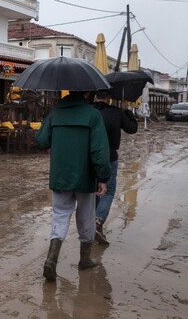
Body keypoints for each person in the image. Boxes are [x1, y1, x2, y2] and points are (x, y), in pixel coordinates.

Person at [35, 91, 111, 281]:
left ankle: (51, 259)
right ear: (87, 93)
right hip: (85, 178)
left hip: (60, 175)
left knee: (60, 214)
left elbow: (41, 140)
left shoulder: (55, 113)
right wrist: (103, 177)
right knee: (86, 216)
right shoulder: (93, 115)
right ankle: (84, 260)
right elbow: (99, 151)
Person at [92, 90, 138, 245]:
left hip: (88, 157)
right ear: (109, 98)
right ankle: (97, 222)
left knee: (94, 190)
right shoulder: (116, 112)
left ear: (95, 96)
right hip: (109, 157)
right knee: (108, 190)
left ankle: (92, 225)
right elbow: (132, 128)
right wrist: (126, 110)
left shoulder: (88, 111)